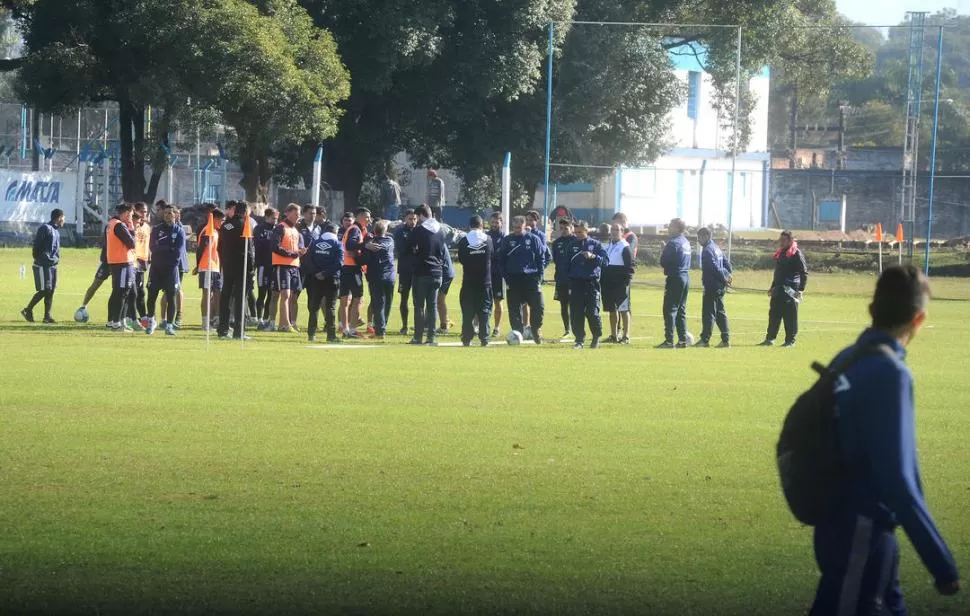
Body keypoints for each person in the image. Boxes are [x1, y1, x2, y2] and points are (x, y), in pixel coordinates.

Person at [809, 264, 960, 614]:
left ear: (871, 310)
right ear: (918, 320)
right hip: (863, 528)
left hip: (835, 523)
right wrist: (941, 563)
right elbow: (900, 480)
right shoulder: (891, 373)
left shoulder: (846, 358)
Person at [496, 215, 548, 344]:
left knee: (539, 307)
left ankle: (535, 329)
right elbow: (501, 260)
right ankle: (517, 333)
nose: (517, 229)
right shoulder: (508, 240)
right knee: (514, 309)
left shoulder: (533, 239)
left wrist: (539, 275)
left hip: (531, 278)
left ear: (525, 226)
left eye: (519, 227)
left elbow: (541, 258)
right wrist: (506, 277)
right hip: (514, 279)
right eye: (515, 227)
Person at [406, 204, 447, 345]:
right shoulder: (441, 230)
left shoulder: (420, 230)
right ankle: (431, 337)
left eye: (417, 217)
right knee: (432, 306)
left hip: (422, 271)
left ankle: (418, 337)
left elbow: (408, 245)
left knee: (419, 306)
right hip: (437, 272)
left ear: (421, 215)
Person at [759, 229, 808, 348]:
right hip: (778, 289)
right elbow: (778, 273)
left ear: (790, 240)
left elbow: (804, 273)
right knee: (774, 314)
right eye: (780, 240)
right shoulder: (781, 253)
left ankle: (790, 341)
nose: (781, 242)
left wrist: (800, 290)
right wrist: (772, 287)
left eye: (784, 240)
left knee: (790, 316)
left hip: (791, 290)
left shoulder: (796, 254)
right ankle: (770, 338)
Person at [567, 220, 609, 350]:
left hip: (591, 283)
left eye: (580, 232)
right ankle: (579, 339)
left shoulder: (595, 244)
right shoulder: (572, 245)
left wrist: (593, 257)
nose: (577, 234)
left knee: (592, 312)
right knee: (576, 313)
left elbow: (605, 262)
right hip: (576, 283)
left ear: (586, 231)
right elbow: (566, 265)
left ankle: (596, 337)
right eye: (576, 232)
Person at [145, 205, 185, 336]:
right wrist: (168, 248)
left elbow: (178, 252)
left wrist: (162, 248)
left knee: (171, 297)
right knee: (151, 296)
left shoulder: (179, 231)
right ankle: (151, 321)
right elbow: (152, 247)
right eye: (166, 213)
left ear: (175, 215)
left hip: (171, 269)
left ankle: (169, 325)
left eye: (171, 213)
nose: (168, 215)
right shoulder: (157, 229)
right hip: (156, 268)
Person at [218, 201, 255, 340]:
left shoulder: (224, 225)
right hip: (241, 266)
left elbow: (219, 247)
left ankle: (222, 329)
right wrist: (251, 269)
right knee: (240, 298)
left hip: (227, 265)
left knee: (226, 296)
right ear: (246, 212)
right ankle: (239, 331)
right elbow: (249, 250)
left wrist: (224, 262)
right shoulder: (244, 225)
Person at [456, 215, 493, 347]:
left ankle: (467, 338)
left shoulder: (464, 241)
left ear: (470, 225)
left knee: (467, 311)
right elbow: (491, 257)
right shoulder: (488, 240)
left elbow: (461, 259)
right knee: (484, 312)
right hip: (485, 282)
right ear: (482, 225)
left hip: (469, 282)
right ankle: (484, 338)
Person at [22, 208, 64, 324]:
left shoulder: (56, 231)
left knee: (50, 291)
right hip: (43, 264)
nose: (64, 220)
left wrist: (55, 260)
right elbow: (36, 245)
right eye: (63, 218)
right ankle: (28, 309)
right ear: (59, 217)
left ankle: (47, 316)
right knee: (45, 290)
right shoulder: (45, 228)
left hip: (53, 265)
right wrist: (39, 259)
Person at [305, 222, 344, 343]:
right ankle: (331, 335)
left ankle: (311, 334)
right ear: (335, 232)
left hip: (315, 279)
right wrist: (325, 273)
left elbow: (308, 260)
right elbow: (339, 263)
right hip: (332, 278)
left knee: (314, 306)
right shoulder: (337, 244)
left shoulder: (315, 243)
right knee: (330, 307)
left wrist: (317, 273)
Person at [271, 204, 307, 333]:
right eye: (296, 214)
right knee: (285, 294)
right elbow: (275, 247)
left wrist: (301, 251)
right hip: (283, 265)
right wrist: (292, 253)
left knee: (292, 295)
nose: (298, 217)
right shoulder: (280, 228)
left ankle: (284, 324)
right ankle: (285, 324)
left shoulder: (296, 230)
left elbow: (299, 246)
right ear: (288, 213)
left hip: (294, 266)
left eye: (299, 215)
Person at [696, 227, 732, 348]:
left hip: (712, 285)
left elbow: (713, 267)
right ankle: (725, 339)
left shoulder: (707, 250)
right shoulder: (716, 248)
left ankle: (704, 340)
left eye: (699, 237)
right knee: (720, 312)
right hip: (720, 286)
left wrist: (723, 278)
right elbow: (727, 264)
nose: (698, 240)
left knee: (708, 313)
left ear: (706, 236)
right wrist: (728, 276)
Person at [657, 218, 691, 349]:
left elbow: (664, 262)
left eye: (670, 226)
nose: (668, 228)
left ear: (677, 228)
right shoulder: (686, 242)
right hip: (685, 277)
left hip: (675, 278)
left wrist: (663, 250)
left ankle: (669, 340)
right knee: (681, 309)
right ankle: (682, 340)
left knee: (669, 309)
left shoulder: (672, 243)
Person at [104, 204, 137, 331]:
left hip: (115, 261)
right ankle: (116, 323)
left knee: (117, 292)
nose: (131, 217)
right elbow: (131, 243)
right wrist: (131, 227)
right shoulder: (119, 225)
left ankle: (114, 321)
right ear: (126, 213)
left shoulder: (111, 223)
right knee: (122, 292)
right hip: (122, 263)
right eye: (131, 214)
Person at [362, 220, 396, 340]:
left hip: (377, 276)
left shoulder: (371, 244)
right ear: (385, 231)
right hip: (391, 276)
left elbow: (364, 260)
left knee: (378, 304)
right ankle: (382, 327)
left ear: (374, 231)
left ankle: (379, 332)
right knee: (388, 303)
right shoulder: (391, 241)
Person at [339, 207, 371, 338]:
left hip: (344, 267)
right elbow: (350, 245)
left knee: (345, 299)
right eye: (367, 217)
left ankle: (345, 328)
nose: (369, 220)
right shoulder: (356, 230)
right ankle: (351, 330)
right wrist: (365, 245)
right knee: (358, 298)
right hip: (352, 268)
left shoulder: (353, 229)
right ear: (361, 217)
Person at [602, 222, 635, 344]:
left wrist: (625, 282)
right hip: (608, 283)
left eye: (617, 230)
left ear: (622, 232)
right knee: (612, 309)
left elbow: (630, 266)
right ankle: (613, 335)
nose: (614, 232)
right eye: (613, 229)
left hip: (620, 283)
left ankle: (626, 336)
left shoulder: (625, 247)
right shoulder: (609, 245)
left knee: (623, 309)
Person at [194, 208, 224, 331]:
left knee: (218, 293)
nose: (221, 223)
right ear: (215, 219)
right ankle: (205, 322)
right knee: (207, 294)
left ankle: (216, 319)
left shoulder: (216, 232)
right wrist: (198, 265)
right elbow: (200, 249)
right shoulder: (207, 231)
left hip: (215, 267)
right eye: (220, 220)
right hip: (206, 266)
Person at [254, 206, 279, 330]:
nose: (276, 221)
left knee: (272, 294)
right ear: (267, 216)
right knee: (262, 293)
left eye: (277, 219)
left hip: (274, 265)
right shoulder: (259, 228)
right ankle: (259, 319)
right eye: (273, 218)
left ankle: (268, 318)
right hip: (263, 264)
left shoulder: (277, 229)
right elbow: (258, 243)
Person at [394, 208, 417, 335]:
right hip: (404, 270)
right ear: (405, 219)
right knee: (404, 298)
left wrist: (413, 248)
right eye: (410, 219)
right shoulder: (399, 232)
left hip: (418, 270)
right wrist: (413, 247)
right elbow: (401, 249)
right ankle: (404, 326)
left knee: (417, 300)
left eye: (414, 219)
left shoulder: (420, 231)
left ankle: (418, 326)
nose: (412, 221)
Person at [550, 217, 575, 339]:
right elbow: (556, 260)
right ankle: (567, 329)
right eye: (562, 228)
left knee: (575, 305)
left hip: (574, 280)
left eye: (566, 228)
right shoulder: (556, 243)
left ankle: (577, 328)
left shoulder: (576, 241)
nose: (564, 230)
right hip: (561, 279)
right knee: (564, 305)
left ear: (572, 228)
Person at [129, 203, 151, 329]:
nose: (144, 214)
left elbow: (147, 244)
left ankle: (143, 317)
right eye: (142, 211)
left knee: (141, 291)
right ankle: (129, 318)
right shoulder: (132, 226)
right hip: (132, 261)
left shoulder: (147, 227)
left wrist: (148, 257)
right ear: (135, 211)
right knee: (133, 291)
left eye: (145, 211)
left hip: (142, 262)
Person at [486, 212, 506, 337]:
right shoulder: (485, 236)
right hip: (486, 274)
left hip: (498, 274)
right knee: (483, 300)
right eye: (492, 222)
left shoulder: (505, 238)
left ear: (501, 223)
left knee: (498, 301)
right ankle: (478, 325)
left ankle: (497, 328)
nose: (494, 224)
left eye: (496, 222)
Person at [437, 230, 455, 335]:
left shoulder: (437, 241)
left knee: (439, 299)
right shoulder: (438, 240)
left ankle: (444, 325)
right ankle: (426, 324)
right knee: (435, 298)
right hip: (446, 272)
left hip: (445, 273)